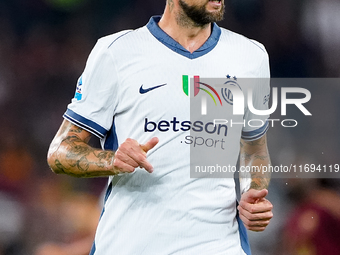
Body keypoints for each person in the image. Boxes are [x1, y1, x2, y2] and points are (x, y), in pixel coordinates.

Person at [47, 0, 273, 254]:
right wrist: (112, 160)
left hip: (218, 244)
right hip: (131, 244)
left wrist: (253, 193)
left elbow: (254, 148)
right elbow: (60, 152)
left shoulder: (250, 57)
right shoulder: (116, 52)